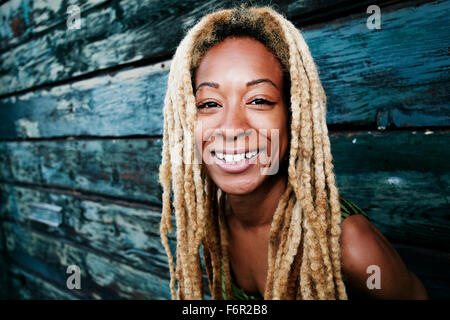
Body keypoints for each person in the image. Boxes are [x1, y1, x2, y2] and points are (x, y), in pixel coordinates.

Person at [158, 5, 429, 300]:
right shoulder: (211, 219)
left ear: (294, 115)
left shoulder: (351, 244)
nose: (232, 127)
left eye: (259, 100)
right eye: (209, 103)